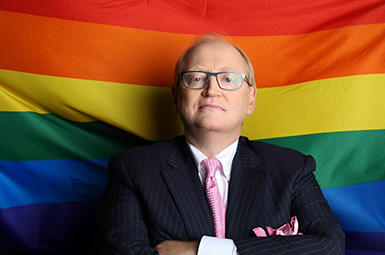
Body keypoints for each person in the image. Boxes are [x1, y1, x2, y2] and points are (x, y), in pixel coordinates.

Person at [91, 35, 345, 254]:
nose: (212, 90)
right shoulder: (132, 169)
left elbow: (330, 247)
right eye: (196, 78)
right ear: (176, 97)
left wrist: (205, 251)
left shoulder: (292, 168)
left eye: (228, 79)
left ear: (250, 99)